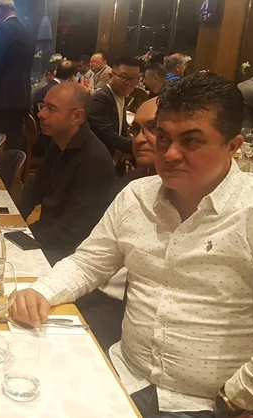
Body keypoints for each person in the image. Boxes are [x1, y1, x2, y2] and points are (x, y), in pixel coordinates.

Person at [10, 73, 253, 417]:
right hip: (123, 376)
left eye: (191, 141)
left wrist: (240, 395)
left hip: (211, 404)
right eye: (163, 138)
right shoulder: (136, 196)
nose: (170, 154)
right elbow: (88, 263)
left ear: (232, 147)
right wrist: (42, 291)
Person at [75, 97, 159, 353]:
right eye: (136, 130)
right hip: (99, 289)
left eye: (154, 129)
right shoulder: (134, 185)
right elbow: (92, 258)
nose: (140, 139)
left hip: (122, 315)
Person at [18, 82, 115, 264]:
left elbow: (74, 231)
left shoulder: (94, 161)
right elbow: (33, 191)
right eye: (43, 106)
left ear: (76, 117)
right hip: (47, 236)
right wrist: (9, 223)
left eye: (51, 109)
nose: (40, 114)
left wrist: (27, 238)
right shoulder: (59, 142)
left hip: (70, 255)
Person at [0, 0, 35, 151]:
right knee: (13, 146)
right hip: (21, 100)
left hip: (0, 102)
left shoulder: (1, 29)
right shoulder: (27, 32)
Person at [88, 55, 141, 156]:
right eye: (123, 77)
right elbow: (108, 136)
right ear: (110, 76)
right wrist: (137, 145)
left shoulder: (121, 96)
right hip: (101, 158)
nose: (129, 83)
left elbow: (123, 130)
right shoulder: (100, 99)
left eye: (134, 78)